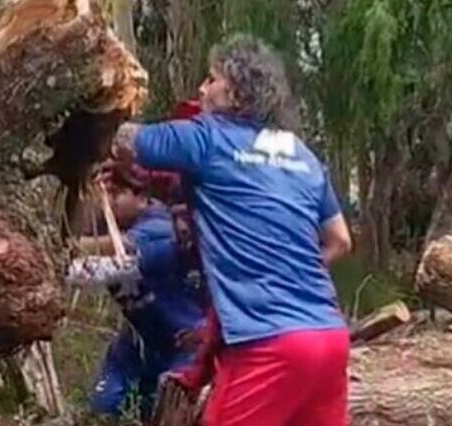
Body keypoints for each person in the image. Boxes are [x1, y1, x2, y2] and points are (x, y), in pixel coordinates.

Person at [109, 34, 353, 426]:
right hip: (328, 337)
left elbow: (123, 141)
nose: (202, 89)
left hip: (267, 346)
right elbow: (340, 240)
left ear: (236, 92)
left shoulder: (207, 138)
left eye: (211, 79)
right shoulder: (301, 154)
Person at [67, 168, 207, 420]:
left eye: (116, 193)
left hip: (183, 345)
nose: (107, 201)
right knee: (103, 408)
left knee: (168, 410)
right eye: (104, 193)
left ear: (142, 198)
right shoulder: (103, 224)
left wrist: (62, 244)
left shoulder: (160, 227)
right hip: (137, 345)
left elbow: (118, 251)